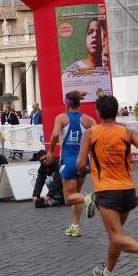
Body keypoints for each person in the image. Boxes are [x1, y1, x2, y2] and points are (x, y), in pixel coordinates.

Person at [73, 95, 138, 276]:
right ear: (116, 112)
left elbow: (80, 164)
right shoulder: (127, 132)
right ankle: (107, 274)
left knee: (116, 236)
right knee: (116, 235)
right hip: (127, 190)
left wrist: (83, 169)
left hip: (106, 191)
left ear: (98, 112)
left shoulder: (89, 133)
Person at [47, 90, 96, 237]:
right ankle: (75, 226)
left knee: (69, 198)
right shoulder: (88, 120)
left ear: (66, 104)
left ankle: (89, 198)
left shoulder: (61, 118)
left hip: (68, 160)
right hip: (83, 160)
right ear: (78, 103)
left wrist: (50, 151)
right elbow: (95, 137)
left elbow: (55, 134)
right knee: (77, 194)